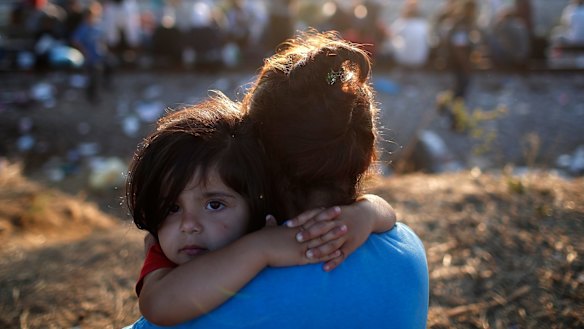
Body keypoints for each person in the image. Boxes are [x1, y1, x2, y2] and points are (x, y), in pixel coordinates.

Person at [125, 30, 428, 329]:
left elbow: (158, 307)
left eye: (215, 203)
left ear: (253, 160)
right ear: (366, 152)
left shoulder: (210, 302)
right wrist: (368, 211)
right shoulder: (409, 251)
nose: (189, 224)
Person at [71, 1, 112, 103]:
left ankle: (107, 85)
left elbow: (103, 39)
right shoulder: (83, 28)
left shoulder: (97, 26)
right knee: (94, 76)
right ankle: (92, 96)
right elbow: (75, 41)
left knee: (110, 65)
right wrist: (84, 52)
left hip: (100, 56)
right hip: (89, 59)